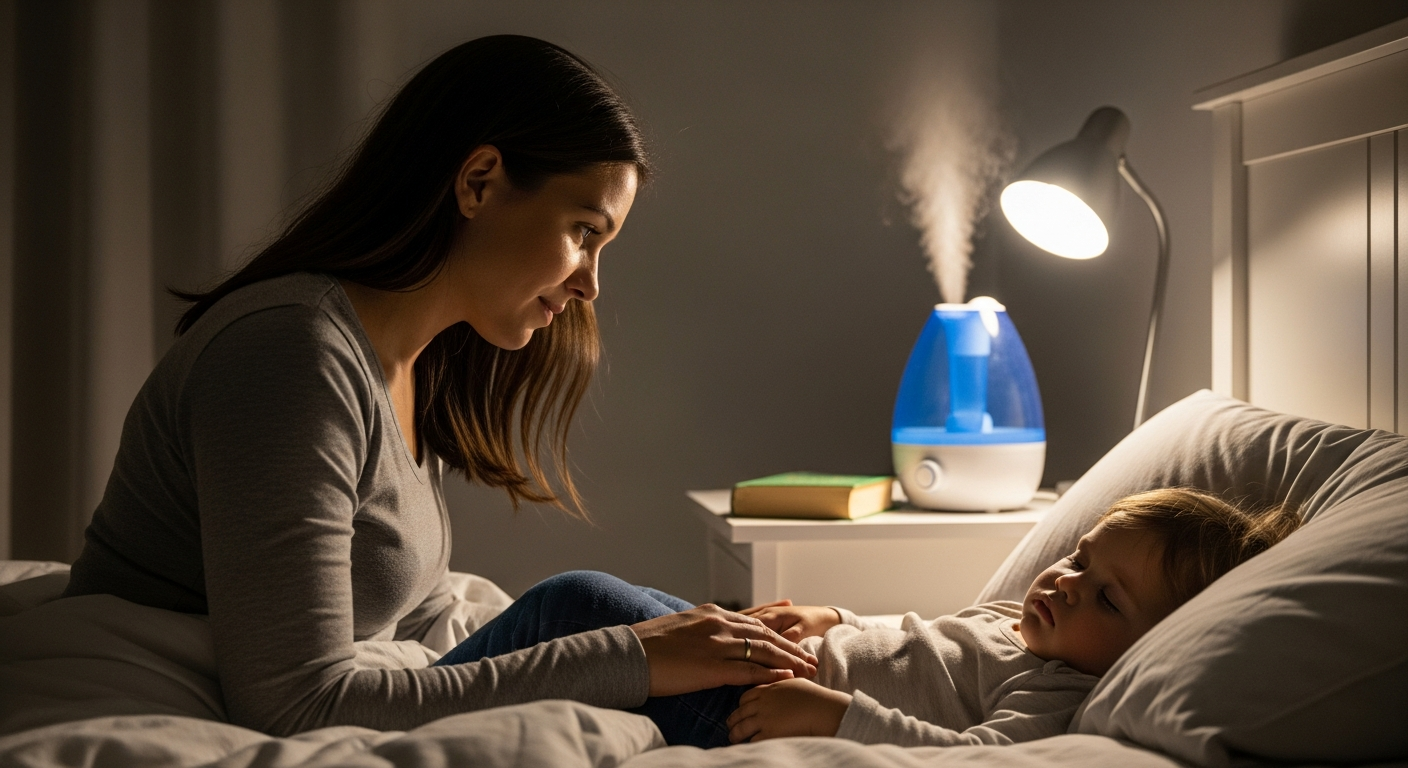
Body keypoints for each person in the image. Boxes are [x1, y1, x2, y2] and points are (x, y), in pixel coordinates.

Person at [61, 35, 815, 737]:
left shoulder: (404, 358)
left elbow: (414, 623)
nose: (590, 284)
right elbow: (295, 702)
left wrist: (651, 642)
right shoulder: (290, 353)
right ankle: (837, 715)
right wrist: (630, 656)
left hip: (354, 682)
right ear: (478, 182)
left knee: (623, 618)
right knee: (582, 607)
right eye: (584, 231)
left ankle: (834, 686)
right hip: (190, 696)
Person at [446, 487, 1302, 748]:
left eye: (1107, 597)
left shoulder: (1053, 690)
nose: (1068, 583)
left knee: (582, 602)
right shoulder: (1023, 617)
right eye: (1079, 559)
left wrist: (834, 716)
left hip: (757, 705)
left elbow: (976, 757)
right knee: (581, 607)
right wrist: (835, 615)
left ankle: (427, 695)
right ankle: (434, 689)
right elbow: (918, 634)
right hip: (775, 657)